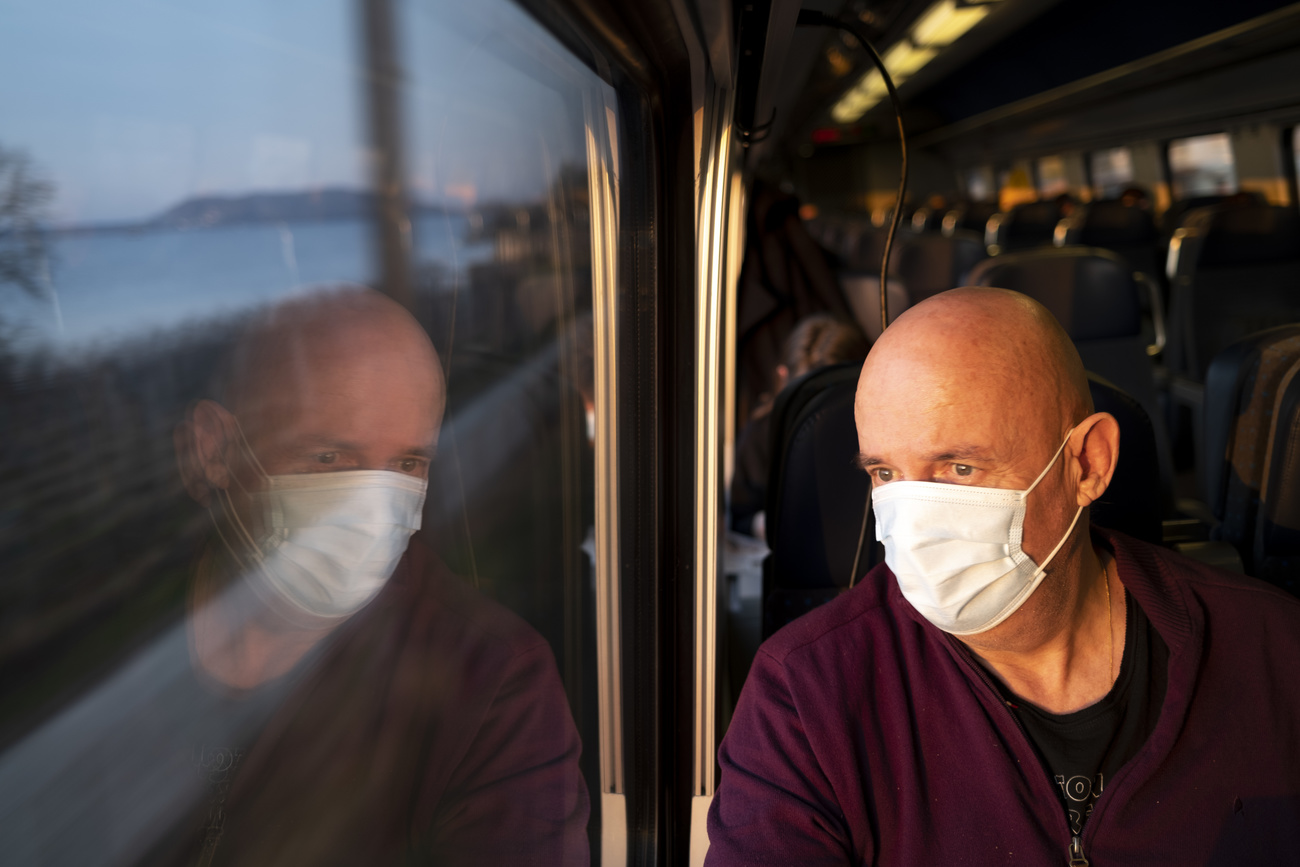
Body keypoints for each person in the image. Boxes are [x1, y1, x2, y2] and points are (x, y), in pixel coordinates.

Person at [707, 287, 1300, 865]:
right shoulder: (807, 698)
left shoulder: (1270, 650)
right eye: (886, 474)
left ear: (1087, 462)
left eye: (960, 467)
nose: (914, 517)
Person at [0, 286, 589, 866]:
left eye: (408, 464)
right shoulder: (89, 664)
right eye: (329, 458)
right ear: (213, 452)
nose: (372, 510)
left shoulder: (493, 688)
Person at [730, 314, 869, 537]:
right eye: (808, 401)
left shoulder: (875, 433)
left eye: (833, 401)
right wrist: (769, 524)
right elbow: (739, 515)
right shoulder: (762, 432)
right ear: (783, 379)